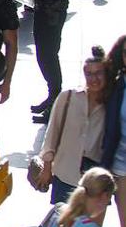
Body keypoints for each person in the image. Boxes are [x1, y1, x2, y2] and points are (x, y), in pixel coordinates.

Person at [36, 48, 114, 204]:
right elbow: (52, 132)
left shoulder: (111, 103)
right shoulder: (68, 97)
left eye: (99, 73)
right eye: (89, 74)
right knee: (62, 224)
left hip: (94, 180)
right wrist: (47, 166)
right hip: (64, 174)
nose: (94, 79)